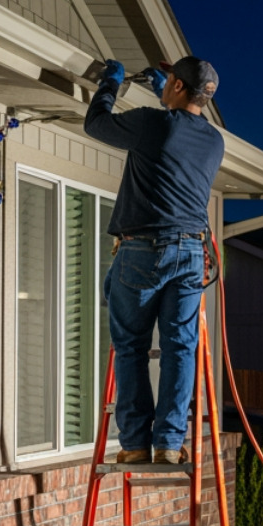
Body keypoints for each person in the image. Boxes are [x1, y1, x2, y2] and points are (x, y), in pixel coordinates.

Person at [84, 57, 224, 466]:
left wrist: (110, 83)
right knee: (180, 348)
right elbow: (176, 127)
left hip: (144, 250)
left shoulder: (151, 123)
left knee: (131, 347)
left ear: (178, 87)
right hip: (191, 255)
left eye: (170, 83)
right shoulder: (214, 141)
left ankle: (133, 443)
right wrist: (169, 93)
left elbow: (96, 124)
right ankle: (167, 443)